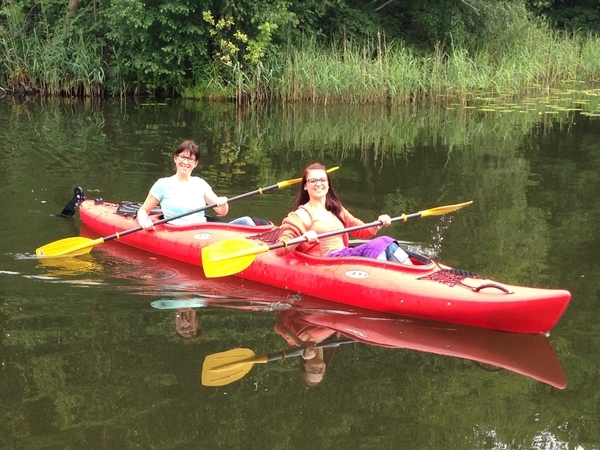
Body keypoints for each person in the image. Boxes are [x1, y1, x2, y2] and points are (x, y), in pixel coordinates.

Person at [276, 162, 412, 264]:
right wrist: (304, 236)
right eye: (313, 181)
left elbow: (361, 230)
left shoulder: (337, 209)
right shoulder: (301, 215)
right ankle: (386, 281)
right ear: (305, 186)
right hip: (328, 262)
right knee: (381, 243)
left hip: (344, 255)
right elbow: (281, 248)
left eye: (323, 180)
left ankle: (412, 277)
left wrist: (378, 224)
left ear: (328, 184)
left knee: (386, 242)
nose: (319, 184)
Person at [137, 140, 255, 229]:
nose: (185, 162)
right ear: (175, 158)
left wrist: (222, 202)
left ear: (195, 163)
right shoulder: (162, 184)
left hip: (202, 230)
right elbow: (143, 210)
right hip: (179, 232)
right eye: (182, 157)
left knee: (247, 221)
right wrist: (144, 222)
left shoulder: (200, 183)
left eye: (190, 159)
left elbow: (222, 212)